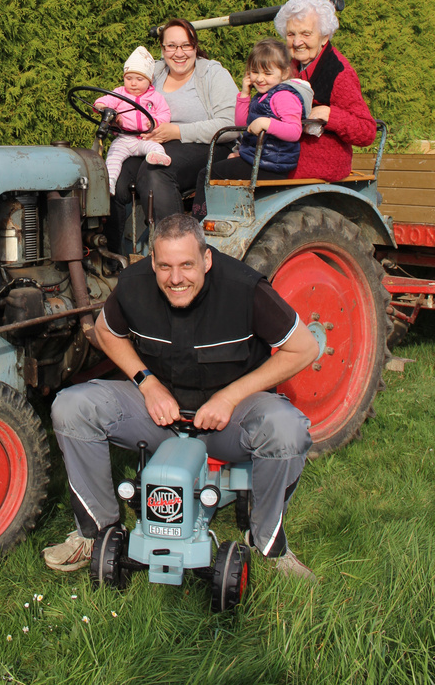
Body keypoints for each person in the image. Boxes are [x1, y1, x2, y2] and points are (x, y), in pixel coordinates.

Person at [44, 213, 319, 579]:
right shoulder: (133, 284)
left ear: (206, 259)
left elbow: (304, 348)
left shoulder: (244, 288)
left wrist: (229, 397)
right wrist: (147, 383)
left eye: (187, 264)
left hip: (228, 421)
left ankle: (268, 546)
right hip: (159, 415)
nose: (176, 278)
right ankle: (96, 535)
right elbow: (106, 332)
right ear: (153, 262)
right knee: (72, 406)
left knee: (287, 430)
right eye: (165, 266)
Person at [104, 19, 238, 252]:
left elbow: (231, 124)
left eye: (186, 46)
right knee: (112, 178)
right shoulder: (152, 72)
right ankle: (113, 259)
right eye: (171, 46)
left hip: (205, 144)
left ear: (195, 47)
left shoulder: (211, 73)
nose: (179, 53)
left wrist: (176, 131)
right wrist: (120, 120)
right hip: (152, 144)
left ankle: (177, 254)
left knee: (156, 173)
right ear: (162, 49)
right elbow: (126, 103)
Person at [191, 38, 313, 217]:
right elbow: (242, 124)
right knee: (221, 165)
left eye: (268, 73)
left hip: (271, 166)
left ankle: (198, 223)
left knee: (207, 173)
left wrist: (267, 123)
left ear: (285, 73)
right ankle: (220, 217)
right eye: (255, 72)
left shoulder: (284, 96)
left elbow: (294, 131)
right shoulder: (263, 95)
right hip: (260, 159)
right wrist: (245, 94)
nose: (260, 79)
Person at [273, 0, 376, 180]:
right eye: (291, 34)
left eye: (306, 34)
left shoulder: (339, 72)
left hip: (319, 165)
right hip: (287, 156)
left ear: (324, 36)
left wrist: (330, 114)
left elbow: (367, 131)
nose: (297, 42)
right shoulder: (290, 66)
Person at [94, 46, 173, 196]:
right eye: (128, 78)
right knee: (112, 158)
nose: (133, 83)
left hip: (144, 137)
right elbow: (104, 101)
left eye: (139, 79)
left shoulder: (155, 97)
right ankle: (109, 184)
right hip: (124, 139)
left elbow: (165, 113)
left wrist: (155, 122)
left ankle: (159, 157)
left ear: (149, 80)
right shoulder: (119, 93)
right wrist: (103, 107)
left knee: (154, 147)